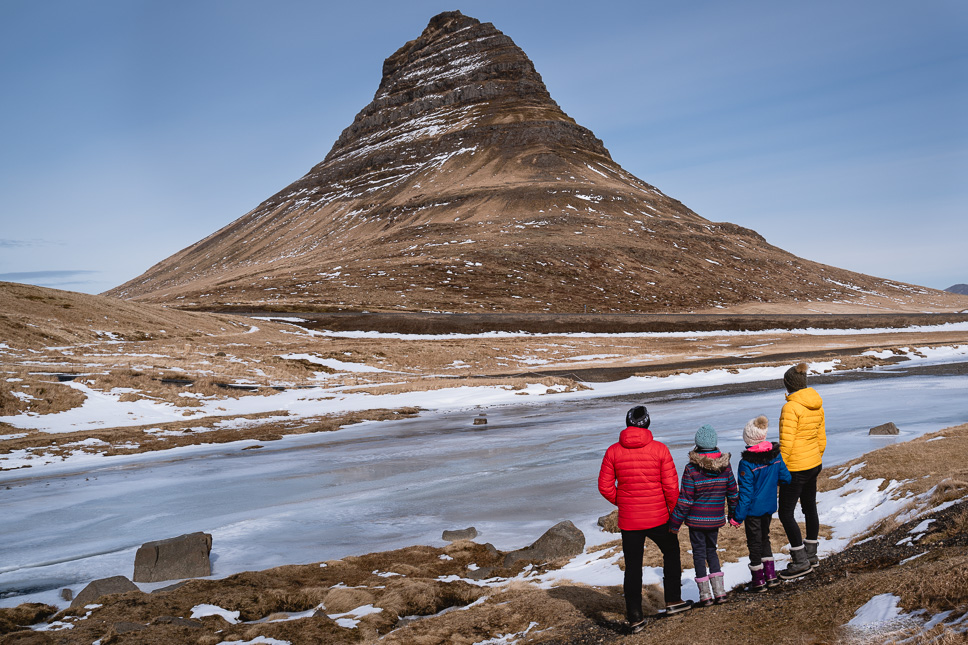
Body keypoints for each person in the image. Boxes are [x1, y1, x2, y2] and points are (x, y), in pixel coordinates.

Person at [598, 405, 691, 632]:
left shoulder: (613, 451)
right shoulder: (660, 449)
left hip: (630, 521)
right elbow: (671, 488)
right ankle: (673, 600)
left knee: (633, 566)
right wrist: (675, 514)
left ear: (627, 423)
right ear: (647, 423)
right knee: (671, 552)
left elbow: (605, 486)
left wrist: (624, 502)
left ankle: (635, 617)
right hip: (659, 517)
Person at [668, 424, 738, 606]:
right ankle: (720, 593)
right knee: (712, 550)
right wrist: (733, 515)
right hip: (715, 519)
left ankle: (705, 595)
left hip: (696, 521)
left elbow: (685, 500)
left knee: (699, 554)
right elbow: (732, 493)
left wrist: (674, 524)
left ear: (697, 445)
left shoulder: (691, 468)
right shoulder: (725, 467)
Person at [730, 415, 792, 591]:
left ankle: (758, 580)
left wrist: (737, 517)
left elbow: (746, 494)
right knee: (765, 538)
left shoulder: (746, 463)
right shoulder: (775, 456)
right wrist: (772, 483)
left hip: (753, 510)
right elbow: (786, 478)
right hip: (769, 507)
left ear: (748, 439)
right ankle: (771, 576)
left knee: (754, 542)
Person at [777, 362, 826, 579]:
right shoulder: (817, 404)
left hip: (796, 467)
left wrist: (781, 470)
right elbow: (821, 438)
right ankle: (811, 554)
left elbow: (786, 445)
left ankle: (800, 561)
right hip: (813, 463)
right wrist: (816, 456)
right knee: (809, 507)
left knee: (785, 513)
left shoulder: (790, 408)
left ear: (788, 384)